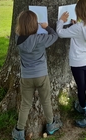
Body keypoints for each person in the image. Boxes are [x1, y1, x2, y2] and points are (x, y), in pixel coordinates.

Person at [12, 10, 62, 140]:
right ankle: (51, 125)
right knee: (46, 101)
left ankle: (19, 131)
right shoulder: (41, 39)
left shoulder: (17, 38)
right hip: (41, 75)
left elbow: (23, 35)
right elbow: (55, 36)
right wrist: (47, 27)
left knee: (25, 104)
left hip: (26, 77)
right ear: (35, 24)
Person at [56, 0, 86, 128]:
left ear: (80, 12)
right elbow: (82, 34)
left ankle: (82, 107)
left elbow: (60, 33)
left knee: (81, 86)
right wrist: (75, 26)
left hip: (76, 62)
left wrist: (61, 21)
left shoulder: (78, 28)